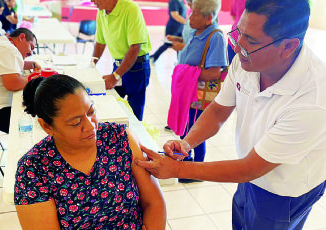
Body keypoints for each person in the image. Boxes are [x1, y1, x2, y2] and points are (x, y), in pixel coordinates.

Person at [136, 0, 326, 229]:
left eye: (251, 41)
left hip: (282, 191)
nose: (237, 48)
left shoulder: (313, 100)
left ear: (287, 47)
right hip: (247, 176)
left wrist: (176, 169)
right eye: (239, 33)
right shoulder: (246, 59)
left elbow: (249, 168)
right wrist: (187, 143)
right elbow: (217, 111)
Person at [14, 75, 166, 230]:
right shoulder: (33, 169)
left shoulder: (120, 138)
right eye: (76, 122)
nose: (90, 126)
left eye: (91, 111)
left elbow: (153, 203)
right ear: (47, 127)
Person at [166, 0, 227, 176]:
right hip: (187, 92)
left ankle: (195, 169)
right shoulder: (196, 31)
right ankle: (184, 162)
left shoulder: (215, 36)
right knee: (186, 129)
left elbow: (214, 73)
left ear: (208, 18)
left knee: (195, 131)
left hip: (198, 95)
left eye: (194, 14)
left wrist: (186, 73)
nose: (189, 17)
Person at [91, 0, 152, 121]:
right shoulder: (102, 12)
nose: (92, 1)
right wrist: (91, 66)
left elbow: (135, 47)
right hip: (119, 65)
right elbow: (100, 43)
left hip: (137, 66)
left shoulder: (130, 9)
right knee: (113, 105)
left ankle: (134, 138)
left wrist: (115, 76)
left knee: (134, 113)